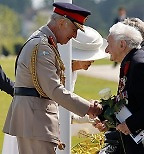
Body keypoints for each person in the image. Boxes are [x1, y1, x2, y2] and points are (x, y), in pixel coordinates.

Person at [3, 2, 102, 154]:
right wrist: (88, 108)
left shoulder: (45, 43)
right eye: (74, 29)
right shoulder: (42, 46)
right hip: (35, 120)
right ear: (62, 22)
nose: (75, 36)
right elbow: (54, 89)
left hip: (34, 119)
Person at [96, 18, 144, 154]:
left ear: (122, 44)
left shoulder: (139, 64)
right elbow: (127, 101)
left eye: (109, 44)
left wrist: (130, 125)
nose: (106, 50)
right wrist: (105, 115)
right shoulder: (131, 61)